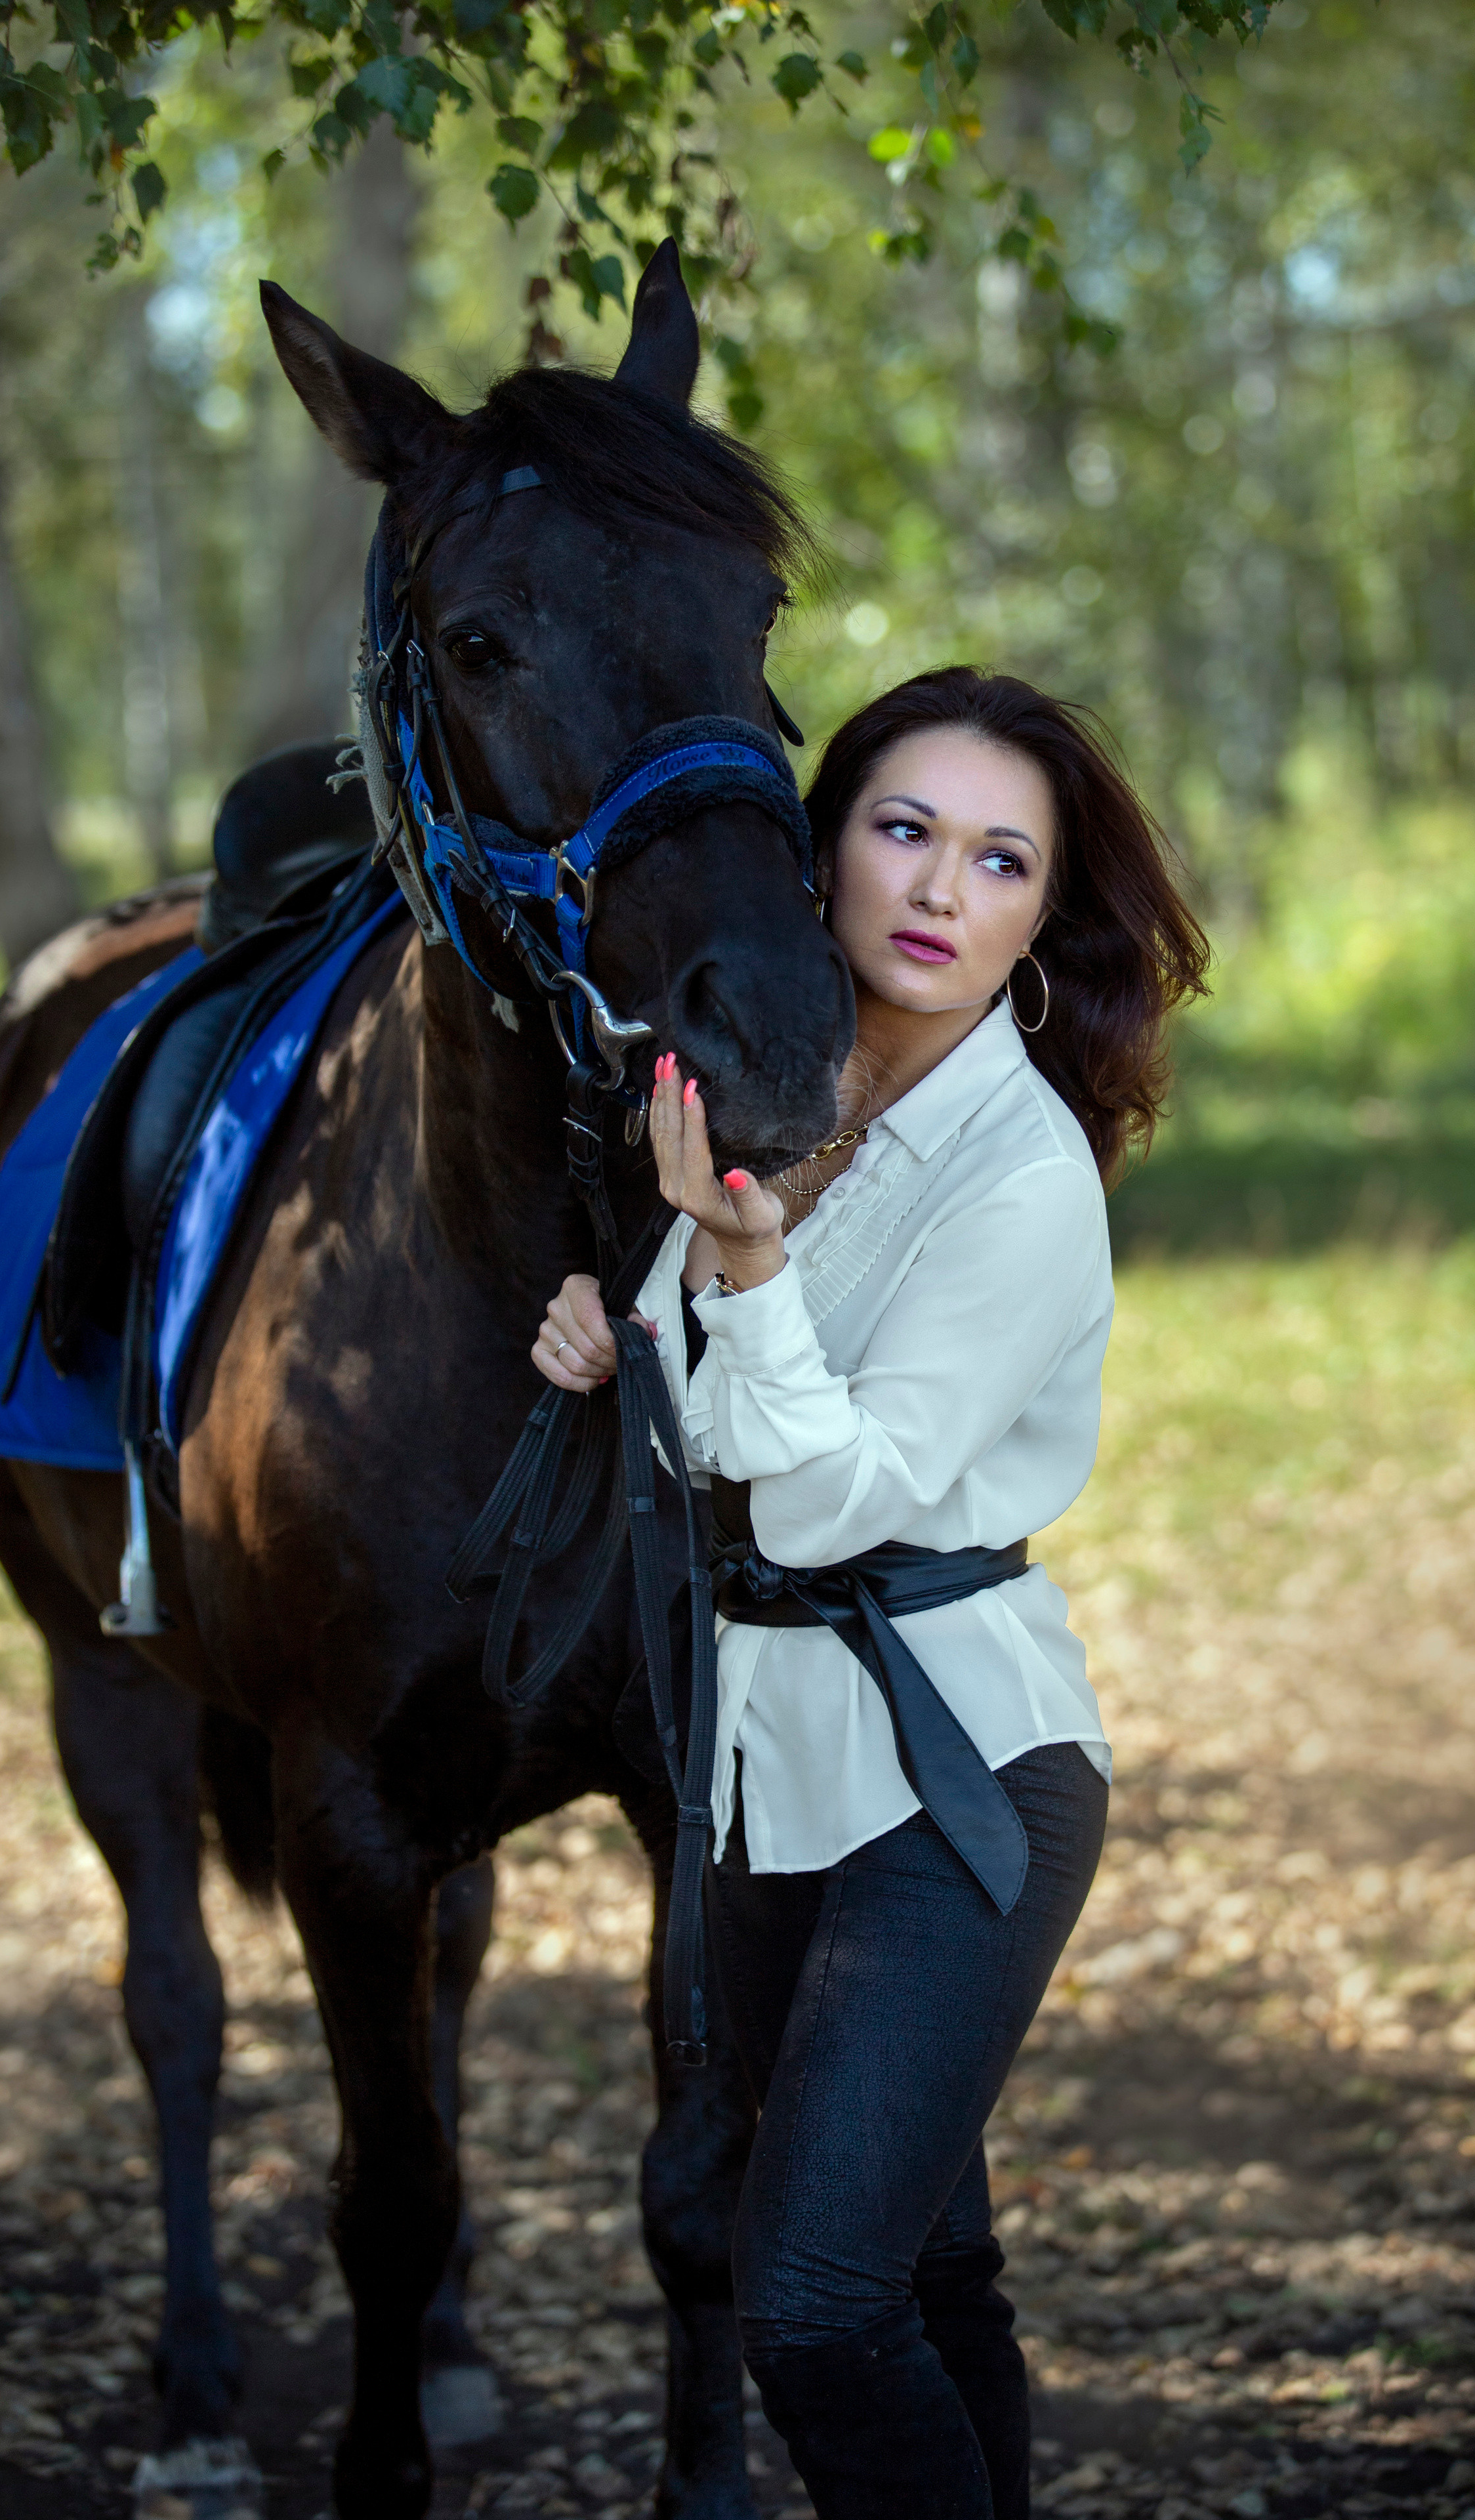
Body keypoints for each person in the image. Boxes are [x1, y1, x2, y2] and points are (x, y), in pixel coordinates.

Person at [532, 665, 1208, 2518]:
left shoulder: (1023, 1176)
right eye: (905, 829)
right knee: (926, 2269)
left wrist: (735, 1282)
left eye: (1001, 861)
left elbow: (835, 1503)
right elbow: (723, 1432)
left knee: (816, 2308)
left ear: (1040, 918)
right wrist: (622, 1339)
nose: (938, 888)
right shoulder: (771, 1095)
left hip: (959, 1776)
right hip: (767, 1772)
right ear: (825, 847)